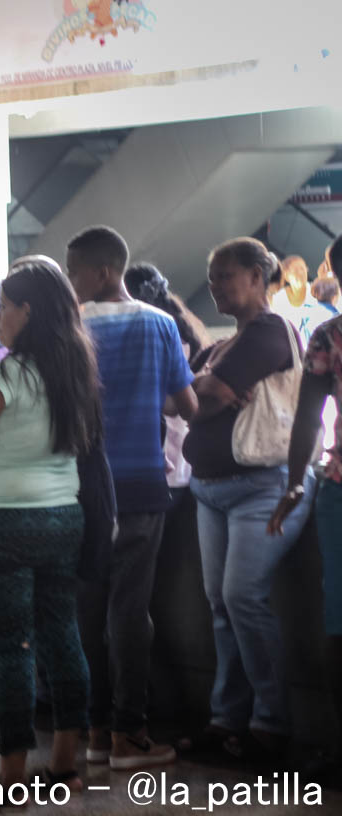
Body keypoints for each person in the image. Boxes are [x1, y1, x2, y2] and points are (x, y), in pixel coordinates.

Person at [0, 256, 102, 795]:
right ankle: (65, 767)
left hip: (5, 521)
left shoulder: (6, 373)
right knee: (63, 636)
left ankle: (12, 777)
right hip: (64, 517)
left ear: (27, 312)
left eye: (5, 307)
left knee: (13, 650)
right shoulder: (78, 369)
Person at [65, 226, 197, 770]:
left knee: (86, 614)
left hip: (77, 489)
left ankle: (95, 731)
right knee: (130, 614)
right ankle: (130, 732)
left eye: (74, 273)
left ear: (101, 272)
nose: (71, 284)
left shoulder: (68, 328)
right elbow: (186, 404)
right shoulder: (161, 323)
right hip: (141, 487)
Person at [181, 237, 315, 763]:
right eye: (211, 277)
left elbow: (198, 398)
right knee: (221, 605)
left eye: (225, 276)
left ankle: (270, 726)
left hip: (265, 486)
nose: (215, 286)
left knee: (241, 597)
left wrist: (202, 392)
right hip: (210, 490)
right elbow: (184, 396)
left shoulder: (269, 330)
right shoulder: (220, 345)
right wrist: (202, 389)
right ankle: (227, 719)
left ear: (259, 277)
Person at [270, 233, 342, 782]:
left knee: (339, 624)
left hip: (338, 492)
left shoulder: (330, 337)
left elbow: (306, 423)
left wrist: (296, 483)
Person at [125, 262, 213, 500]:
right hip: (184, 440)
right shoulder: (184, 328)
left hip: (159, 437)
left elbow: (167, 400)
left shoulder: (150, 330)